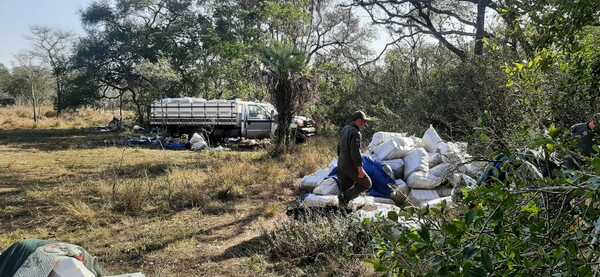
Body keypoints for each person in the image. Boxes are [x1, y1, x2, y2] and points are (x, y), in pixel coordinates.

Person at [337, 111, 373, 206]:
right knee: (367, 183)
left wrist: (341, 161)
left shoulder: (345, 129)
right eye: (363, 121)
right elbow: (355, 152)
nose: (365, 124)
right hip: (350, 165)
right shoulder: (356, 133)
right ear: (358, 120)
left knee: (346, 186)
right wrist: (360, 169)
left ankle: (341, 210)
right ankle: (344, 197)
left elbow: (338, 148)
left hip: (341, 163)